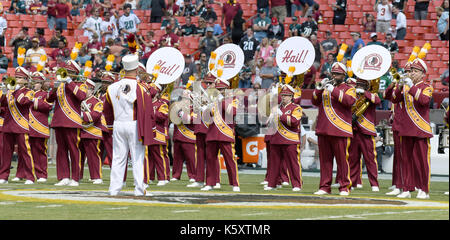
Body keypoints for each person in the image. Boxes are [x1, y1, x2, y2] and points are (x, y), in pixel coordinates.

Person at [103, 54, 159, 196]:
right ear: (136, 69)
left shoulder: (112, 87)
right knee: (137, 157)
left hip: (117, 124)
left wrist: (110, 127)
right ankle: (139, 189)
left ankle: (114, 189)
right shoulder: (141, 87)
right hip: (134, 124)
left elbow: (107, 110)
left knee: (118, 158)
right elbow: (148, 108)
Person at [390, 58, 433, 199]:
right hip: (406, 129)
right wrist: (398, 86)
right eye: (411, 71)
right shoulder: (406, 86)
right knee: (406, 160)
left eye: (415, 71)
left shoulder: (426, 87)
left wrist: (411, 87)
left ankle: (423, 189)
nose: (412, 74)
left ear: (422, 74)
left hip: (420, 129)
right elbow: (394, 99)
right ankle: (407, 188)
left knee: (422, 161)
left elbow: (424, 101)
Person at [312, 62, 356, 196]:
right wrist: (319, 89)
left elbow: (350, 101)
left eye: (337, 74)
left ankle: (344, 187)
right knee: (325, 161)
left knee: (342, 160)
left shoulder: (349, 88)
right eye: (333, 73)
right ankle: (324, 187)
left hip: (340, 129)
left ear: (343, 75)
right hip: (324, 128)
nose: (334, 75)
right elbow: (314, 101)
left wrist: (333, 90)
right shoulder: (326, 87)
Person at [46, 60, 86, 186]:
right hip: (58, 120)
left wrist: (69, 82)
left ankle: (75, 177)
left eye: (70, 72)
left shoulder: (80, 84)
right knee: (61, 150)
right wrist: (54, 88)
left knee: (74, 150)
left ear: (75, 73)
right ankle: (64, 177)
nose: (67, 74)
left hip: (72, 121)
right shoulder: (60, 85)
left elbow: (81, 96)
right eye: (66, 72)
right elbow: (49, 99)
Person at [201, 78, 240, 192]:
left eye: (222, 89)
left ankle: (235, 183)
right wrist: (205, 109)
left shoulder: (233, 99)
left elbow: (232, 112)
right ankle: (210, 182)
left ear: (227, 89)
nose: (219, 91)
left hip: (225, 133)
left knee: (230, 159)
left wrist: (221, 101)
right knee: (210, 159)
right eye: (218, 89)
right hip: (212, 132)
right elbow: (208, 118)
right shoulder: (213, 100)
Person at [0, 67, 36, 185]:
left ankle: (30, 177)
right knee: (6, 153)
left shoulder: (29, 92)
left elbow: (24, 102)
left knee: (25, 152)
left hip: (21, 125)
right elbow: (4, 106)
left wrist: (15, 91)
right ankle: (4, 176)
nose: (17, 79)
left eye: (20, 78)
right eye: (17, 77)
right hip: (8, 125)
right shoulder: (11, 90)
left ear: (26, 80)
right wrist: (4, 94)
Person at [264, 84, 303, 191]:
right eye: (283, 95)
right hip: (276, 139)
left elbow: (294, 122)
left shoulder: (296, 108)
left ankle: (297, 185)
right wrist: (271, 117)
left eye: (286, 95)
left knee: (293, 163)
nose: (284, 97)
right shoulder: (277, 108)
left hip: (290, 139)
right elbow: (268, 125)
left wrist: (281, 115)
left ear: (291, 97)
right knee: (274, 163)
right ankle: (272, 184)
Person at [348, 78, 381, 192]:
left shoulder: (371, 95)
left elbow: (377, 101)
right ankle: (351, 182)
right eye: (358, 85)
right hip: (354, 130)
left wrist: (365, 93)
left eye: (362, 85)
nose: (359, 87)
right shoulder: (353, 95)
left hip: (367, 131)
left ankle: (374, 184)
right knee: (352, 159)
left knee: (370, 159)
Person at [78, 79, 105, 184]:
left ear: (92, 90)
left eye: (86, 89)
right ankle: (77, 176)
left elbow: (96, 116)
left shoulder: (97, 102)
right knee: (78, 156)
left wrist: (81, 115)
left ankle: (96, 177)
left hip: (92, 132)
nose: (84, 91)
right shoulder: (79, 101)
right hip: (81, 131)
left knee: (93, 156)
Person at [28, 72, 52, 183]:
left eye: (37, 82)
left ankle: (42, 174)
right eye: (34, 81)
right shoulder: (28, 92)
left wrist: (33, 100)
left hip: (40, 127)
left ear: (42, 83)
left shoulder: (45, 94)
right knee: (27, 152)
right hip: (27, 126)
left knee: (40, 152)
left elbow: (48, 106)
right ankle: (26, 174)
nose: (35, 84)